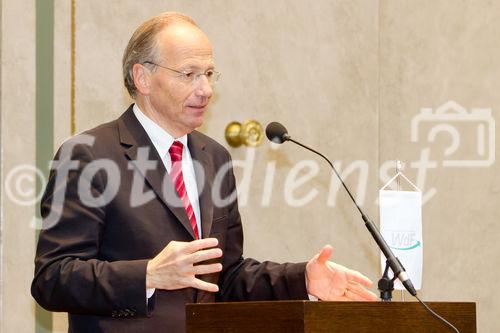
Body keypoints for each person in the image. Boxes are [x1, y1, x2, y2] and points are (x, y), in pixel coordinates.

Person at [31, 12, 377, 332]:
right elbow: (52, 277)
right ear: (143, 77)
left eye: (209, 74)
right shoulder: (89, 156)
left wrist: (302, 279)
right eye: (189, 74)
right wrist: (148, 275)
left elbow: (225, 275)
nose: (206, 89)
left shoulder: (213, 157)